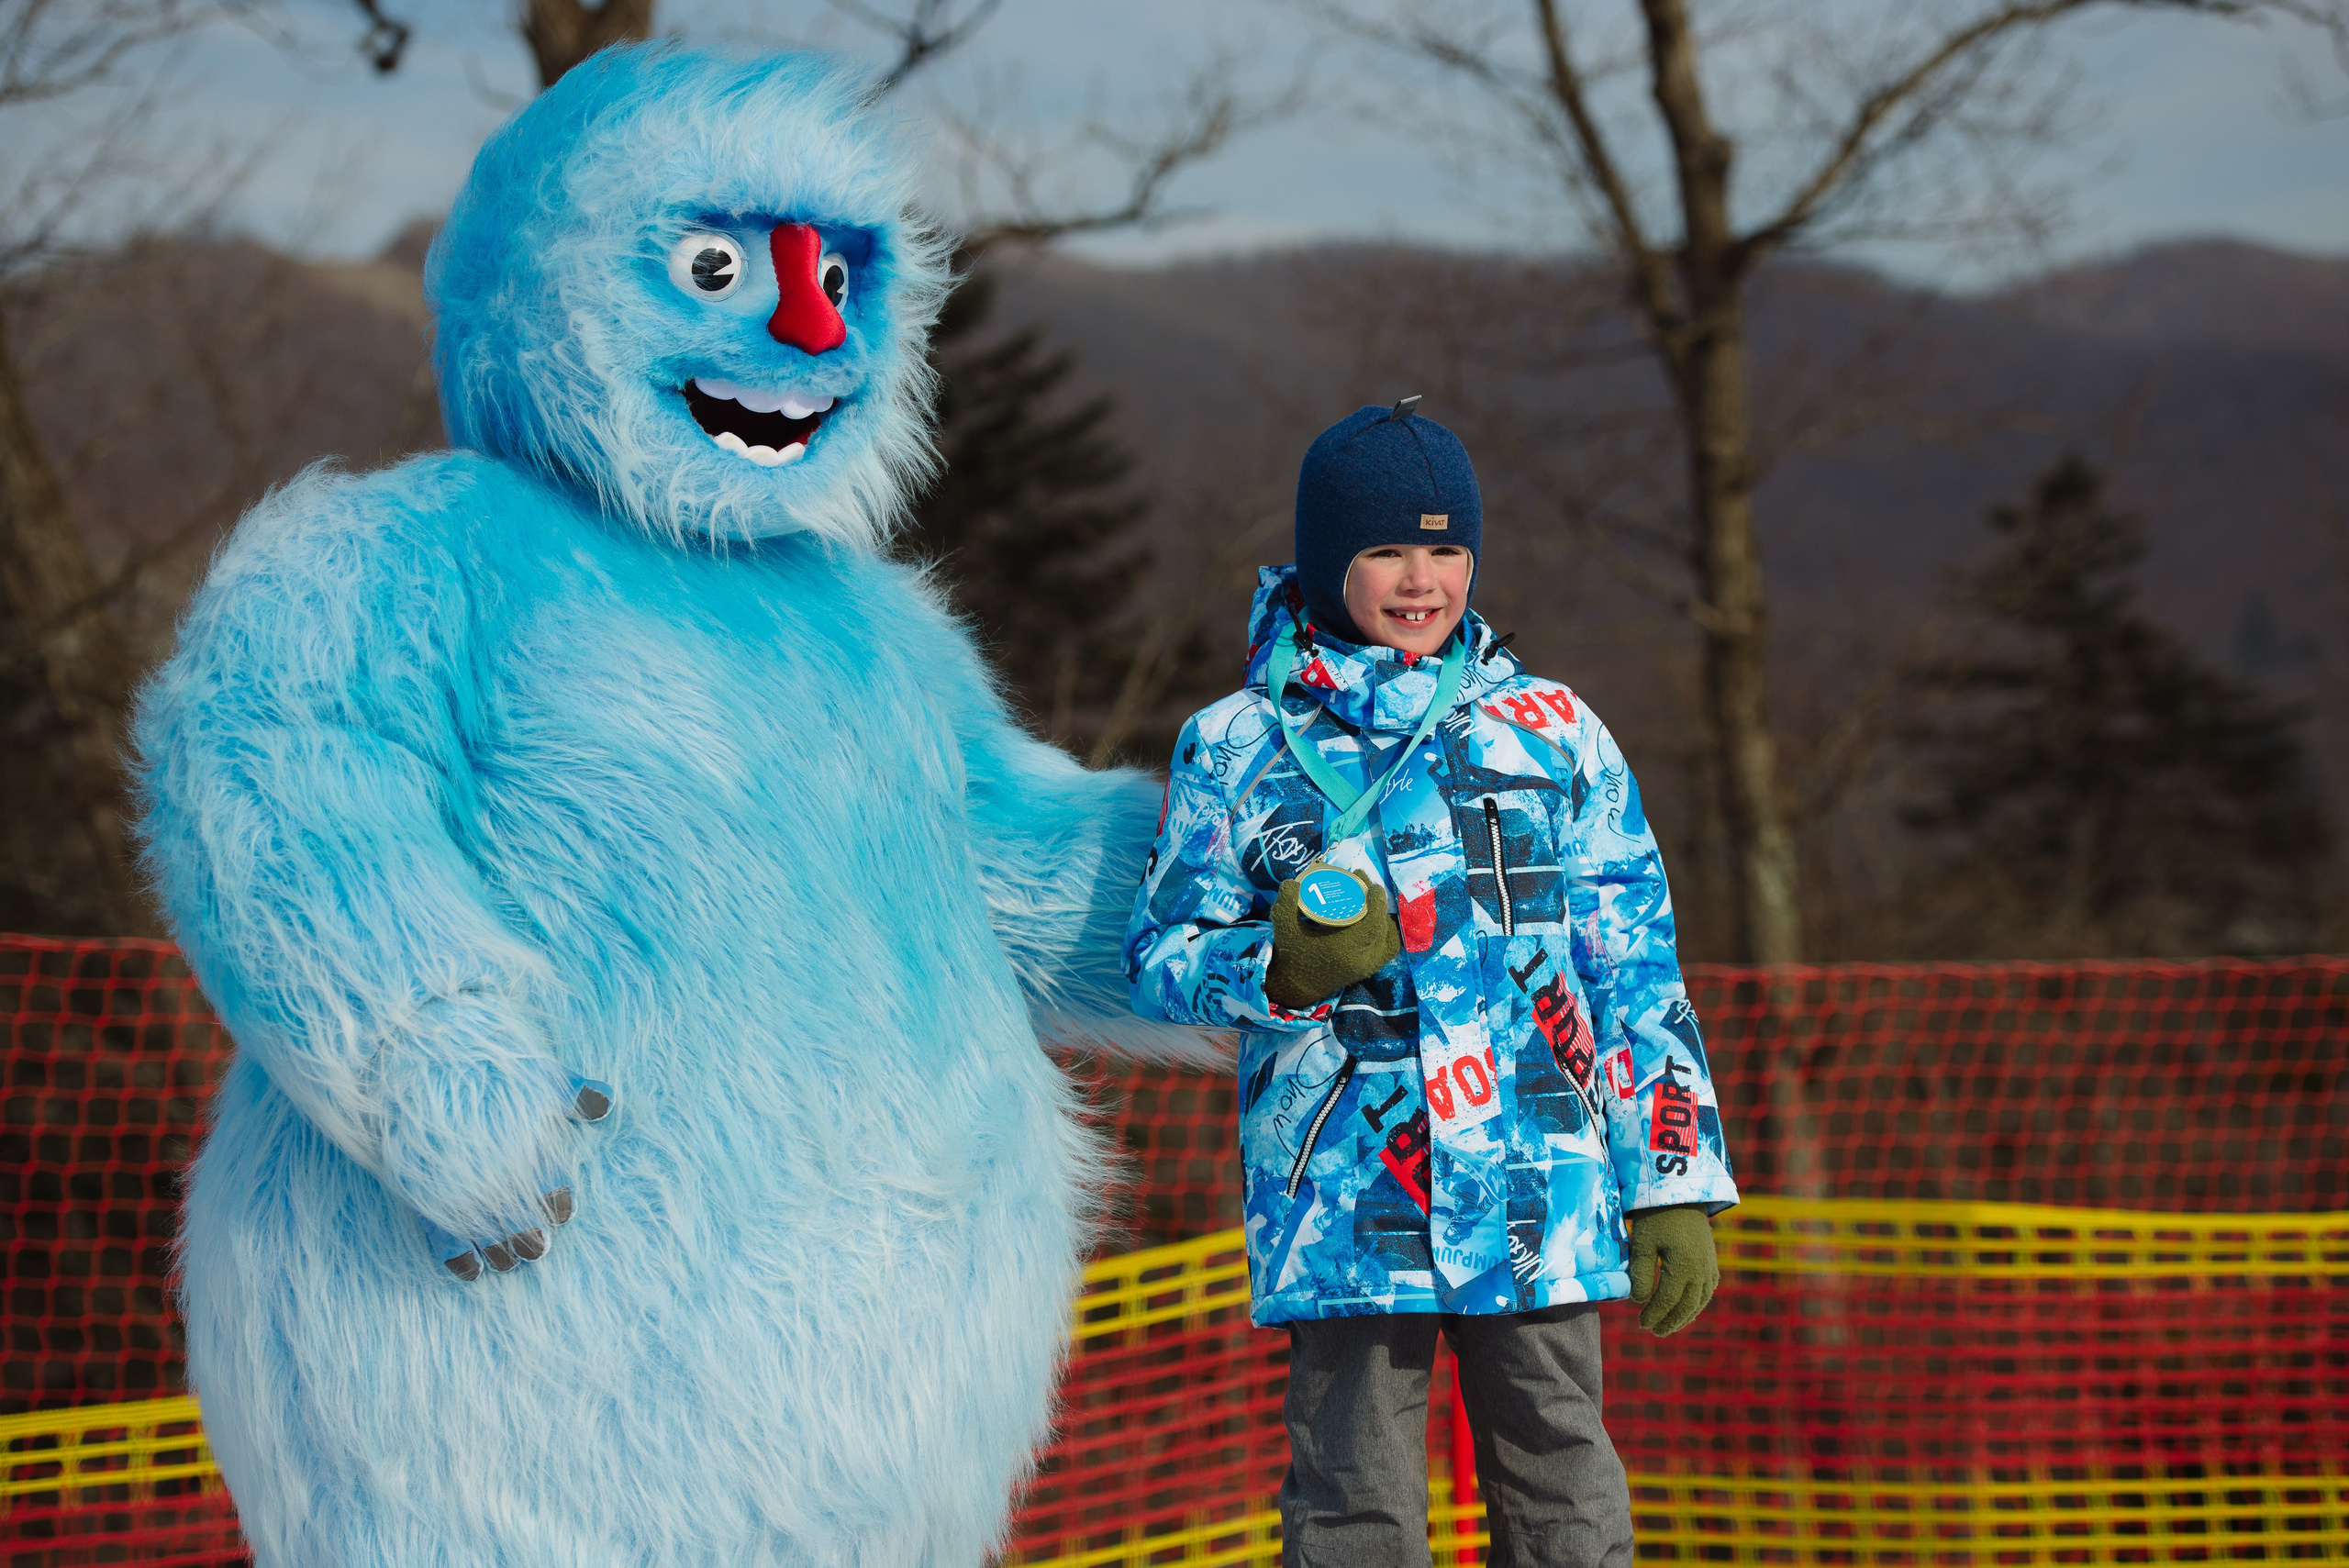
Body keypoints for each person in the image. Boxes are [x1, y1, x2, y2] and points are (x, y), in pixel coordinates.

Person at [1126, 400, 1739, 1567]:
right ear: (1325, 558)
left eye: (1445, 547)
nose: (1422, 580)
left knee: (1563, 1484)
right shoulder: (1235, 742)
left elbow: (1632, 965)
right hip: (1348, 1196)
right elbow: (1160, 959)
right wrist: (1277, 967)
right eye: (1386, 551)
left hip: (1537, 1184)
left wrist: (1670, 1177)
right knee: (1355, 1503)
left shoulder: (1553, 730)